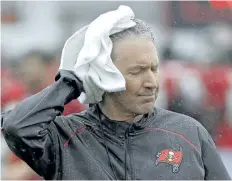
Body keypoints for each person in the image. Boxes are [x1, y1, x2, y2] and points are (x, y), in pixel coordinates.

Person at [1, 19, 230, 180]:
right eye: (137, 71)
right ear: (104, 76)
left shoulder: (188, 132)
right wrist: (72, 81)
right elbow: (16, 127)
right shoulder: (65, 138)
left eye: (154, 68)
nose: (151, 81)